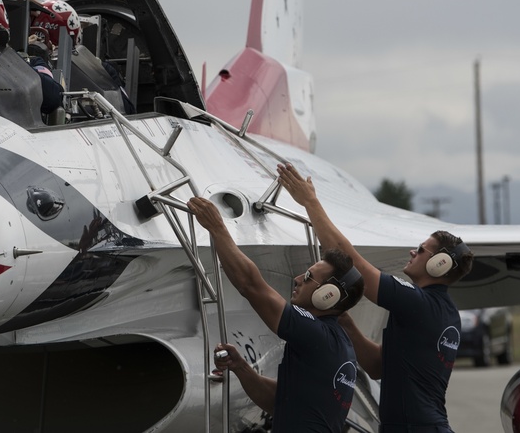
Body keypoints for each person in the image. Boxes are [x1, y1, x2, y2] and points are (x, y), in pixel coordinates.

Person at [276, 162, 474, 433]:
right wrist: (346, 324)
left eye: (421, 250)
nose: (412, 253)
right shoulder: (444, 311)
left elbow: (351, 263)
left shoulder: (420, 303)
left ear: (439, 263)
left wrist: (310, 202)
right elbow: (378, 367)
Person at [188, 196, 364, 432]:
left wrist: (216, 227)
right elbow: (278, 402)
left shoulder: (315, 333)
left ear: (328, 295)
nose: (298, 279)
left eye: (309, 277)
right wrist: (241, 367)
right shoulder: (338, 342)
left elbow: (250, 285)